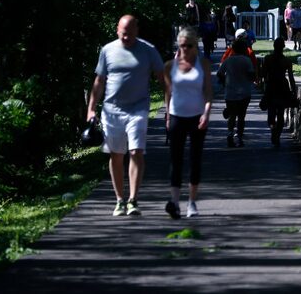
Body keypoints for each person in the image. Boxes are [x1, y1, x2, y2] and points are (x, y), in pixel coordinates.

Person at [86, 15, 164, 216]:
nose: (126, 37)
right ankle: (119, 199)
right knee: (116, 154)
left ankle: (133, 200)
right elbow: (99, 81)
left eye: (129, 33)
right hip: (112, 110)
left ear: (137, 30)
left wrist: (170, 107)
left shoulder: (148, 50)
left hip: (138, 109)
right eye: (123, 33)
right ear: (117, 30)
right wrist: (91, 109)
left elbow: (163, 79)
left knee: (136, 151)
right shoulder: (108, 50)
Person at [163, 27, 212, 219]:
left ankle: (192, 202)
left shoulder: (203, 64)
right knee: (175, 160)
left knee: (195, 159)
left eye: (188, 46)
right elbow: (168, 93)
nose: (184, 49)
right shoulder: (170, 66)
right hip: (176, 116)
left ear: (195, 46)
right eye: (181, 46)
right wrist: (167, 116)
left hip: (197, 116)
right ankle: (174, 202)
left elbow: (208, 92)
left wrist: (206, 112)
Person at [217, 38, 255, 147]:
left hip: (230, 93)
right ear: (244, 49)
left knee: (232, 115)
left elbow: (219, 73)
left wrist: (225, 81)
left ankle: (230, 134)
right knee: (242, 116)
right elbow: (252, 76)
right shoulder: (246, 60)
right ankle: (239, 137)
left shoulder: (228, 60)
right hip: (245, 92)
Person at [260, 37, 297, 146]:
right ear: (283, 47)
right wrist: (293, 91)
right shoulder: (287, 61)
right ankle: (277, 134)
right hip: (283, 87)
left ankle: (273, 129)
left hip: (271, 86)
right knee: (280, 113)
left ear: (274, 46)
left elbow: (263, 74)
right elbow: (291, 78)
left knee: (271, 113)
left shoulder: (267, 58)